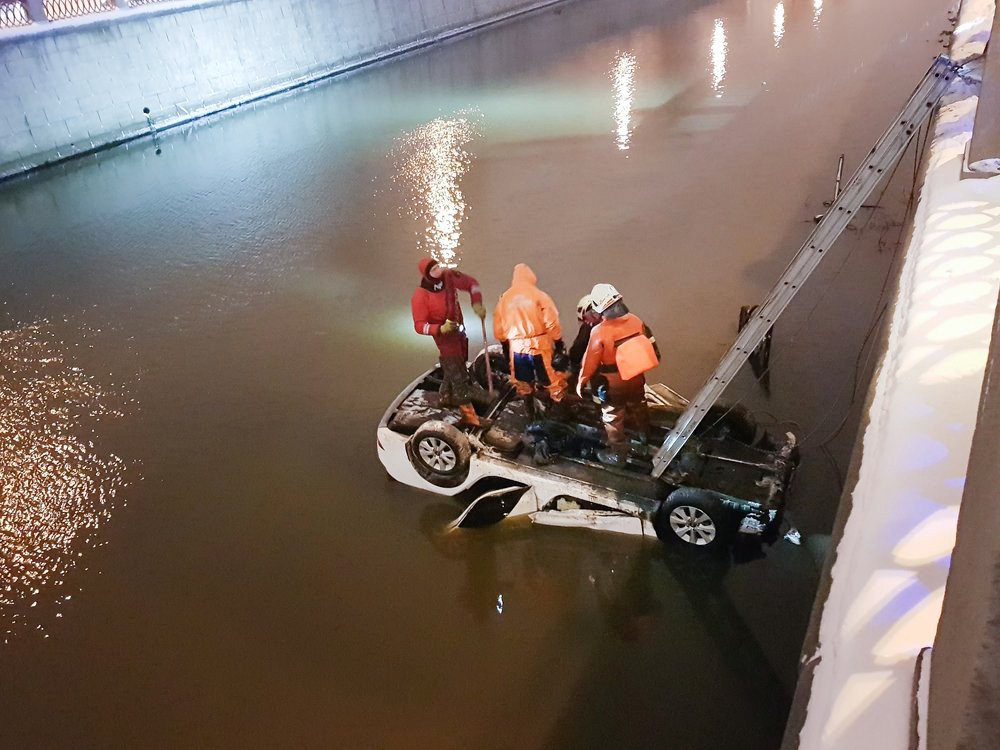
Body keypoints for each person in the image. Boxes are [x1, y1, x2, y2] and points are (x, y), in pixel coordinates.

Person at [577, 283, 660, 466]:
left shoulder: (599, 332)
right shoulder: (636, 320)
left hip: (613, 382)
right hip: (636, 376)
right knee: (639, 404)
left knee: (612, 416)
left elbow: (590, 361)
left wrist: (582, 381)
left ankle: (618, 456)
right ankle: (644, 436)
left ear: (599, 309)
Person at [411, 258, 490, 428]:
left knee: (459, 361)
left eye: (438, 266)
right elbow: (419, 326)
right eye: (433, 270)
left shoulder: (449, 277)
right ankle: (469, 416)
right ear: (427, 275)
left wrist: (476, 303)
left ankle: (445, 396)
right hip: (445, 338)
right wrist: (439, 328)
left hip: (459, 332)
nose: (438, 271)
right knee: (458, 373)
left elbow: (472, 284)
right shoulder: (421, 296)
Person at [493, 263, 568, 410]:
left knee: (522, 382)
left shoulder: (504, 298)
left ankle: (530, 411)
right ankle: (559, 410)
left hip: (517, 348)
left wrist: (504, 343)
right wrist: (558, 342)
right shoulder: (539, 296)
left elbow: (498, 326)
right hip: (539, 345)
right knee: (551, 380)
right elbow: (552, 322)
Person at [568, 293, 602, 375]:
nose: (586, 321)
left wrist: (572, 362)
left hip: (602, 371)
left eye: (584, 318)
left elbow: (578, 347)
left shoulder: (588, 328)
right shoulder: (622, 321)